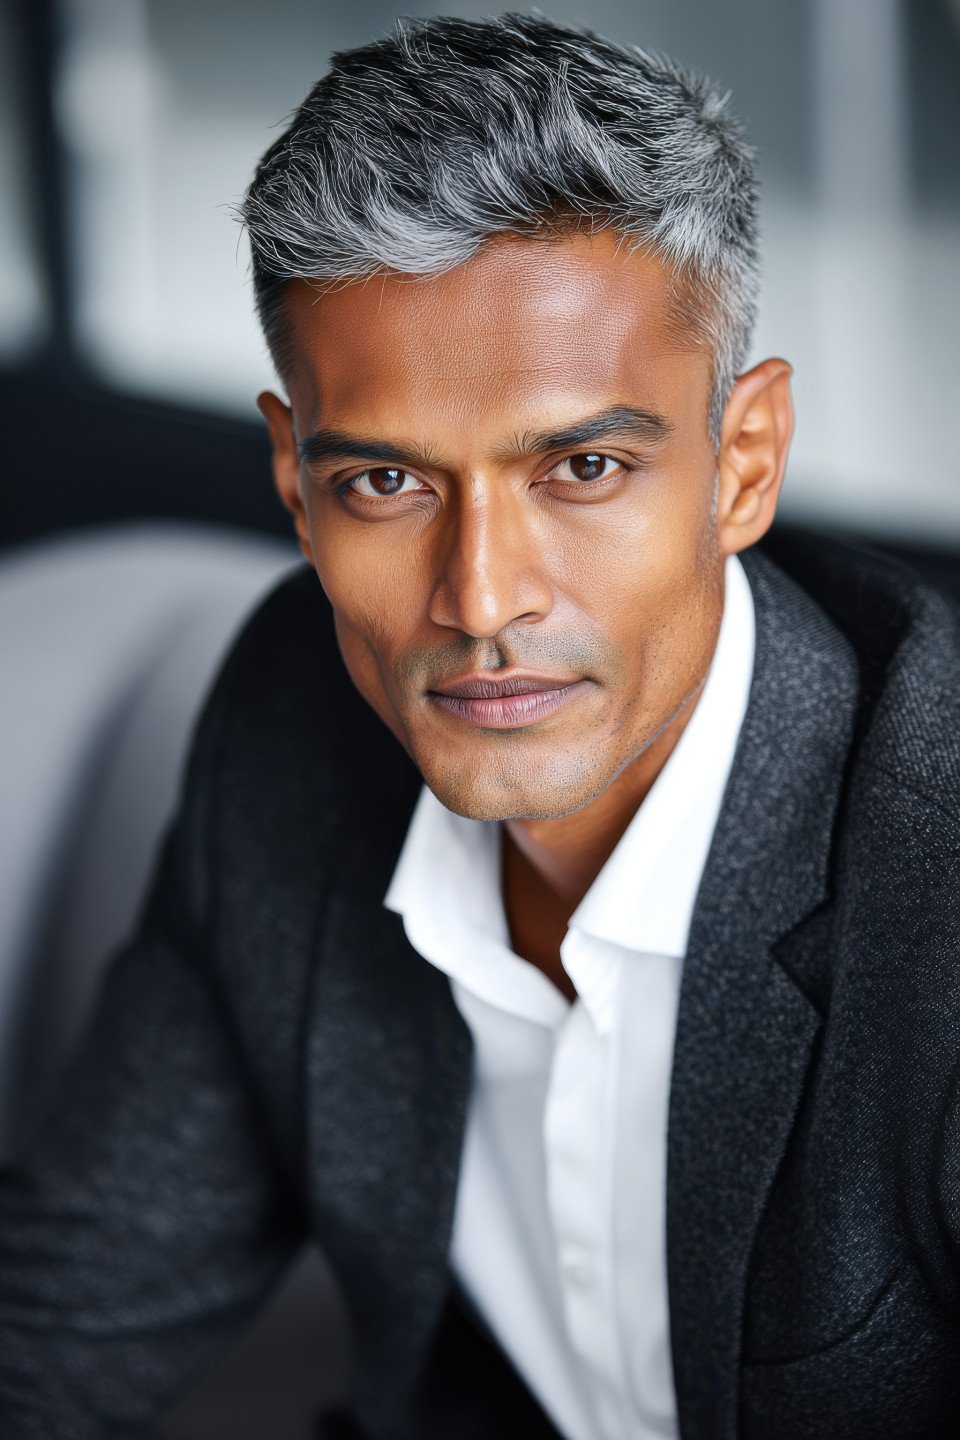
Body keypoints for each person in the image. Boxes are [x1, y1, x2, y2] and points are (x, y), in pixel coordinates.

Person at [1, 13, 958, 1440]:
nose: (481, 598)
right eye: (386, 482)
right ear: (292, 479)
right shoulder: (289, 718)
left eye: (582, 466)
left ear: (742, 464)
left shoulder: (936, 879)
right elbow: (68, 1317)